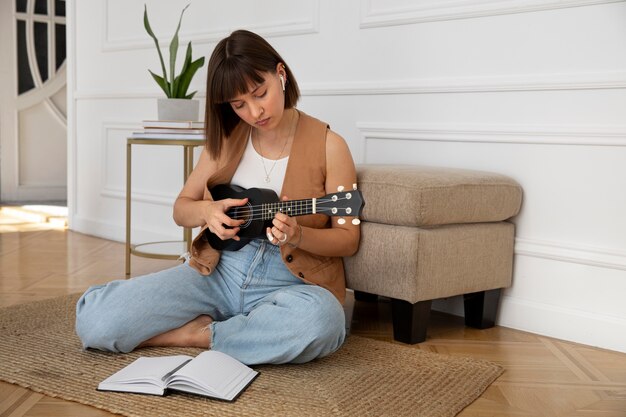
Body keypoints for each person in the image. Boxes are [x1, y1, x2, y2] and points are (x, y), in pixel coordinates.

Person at [75, 29, 360, 365]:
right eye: (239, 104)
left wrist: (298, 235)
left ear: (280, 74)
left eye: (260, 93)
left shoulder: (330, 145)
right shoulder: (226, 139)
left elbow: (348, 239)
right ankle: (244, 335)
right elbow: (181, 210)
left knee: (323, 321)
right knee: (96, 320)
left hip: (290, 282)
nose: (255, 112)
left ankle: (199, 335)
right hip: (218, 272)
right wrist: (208, 211)